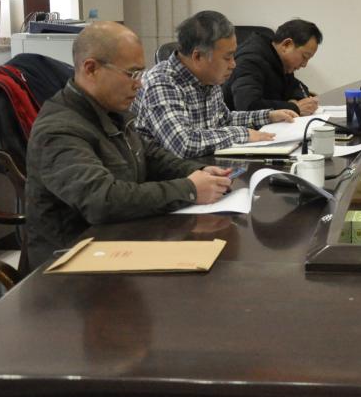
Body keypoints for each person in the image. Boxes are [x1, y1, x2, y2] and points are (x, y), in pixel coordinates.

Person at [25, 22, 235, 267]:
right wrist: (189, 189)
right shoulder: (59, 129)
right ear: (91, 69)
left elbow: (149, 155)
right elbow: (102, 200)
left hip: (116, 242)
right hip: (70, 263)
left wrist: (197, 171)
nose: (140, 84)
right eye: (132, 74)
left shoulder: (111, 110)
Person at [133, 11, 297, 158]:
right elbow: (184, 144)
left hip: (201, 167)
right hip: (165, 177)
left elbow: (224, 120)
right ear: (198, 57)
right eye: (227, 57)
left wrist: (268, 116)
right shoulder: (161, 82)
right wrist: (243, 134)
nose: (233, 64)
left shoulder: (208, 78)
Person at [226, 19, 322, 115]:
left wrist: (295, 100)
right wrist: (294, 107)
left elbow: (296, 86)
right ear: (286, 45)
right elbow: (248, 106)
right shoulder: (250, 60)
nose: (304, 64)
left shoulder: (280, 61)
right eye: (304, 57)